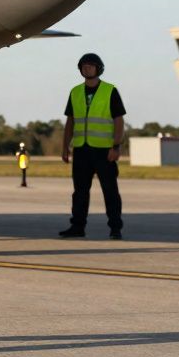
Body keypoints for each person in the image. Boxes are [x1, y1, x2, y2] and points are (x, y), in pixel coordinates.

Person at [60, 53, 126, 240]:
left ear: (99, 68)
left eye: (90, 65)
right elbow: (70, 122)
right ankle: (77, 227)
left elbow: (119, 120)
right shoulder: (75, 92)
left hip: (104, 151)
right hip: (81, 149)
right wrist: (65, 147)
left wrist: (116, 146)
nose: (87, 68)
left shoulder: (110, 91)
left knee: (110, 191)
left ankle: (115, 228)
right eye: (84, 65)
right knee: (79, 192)